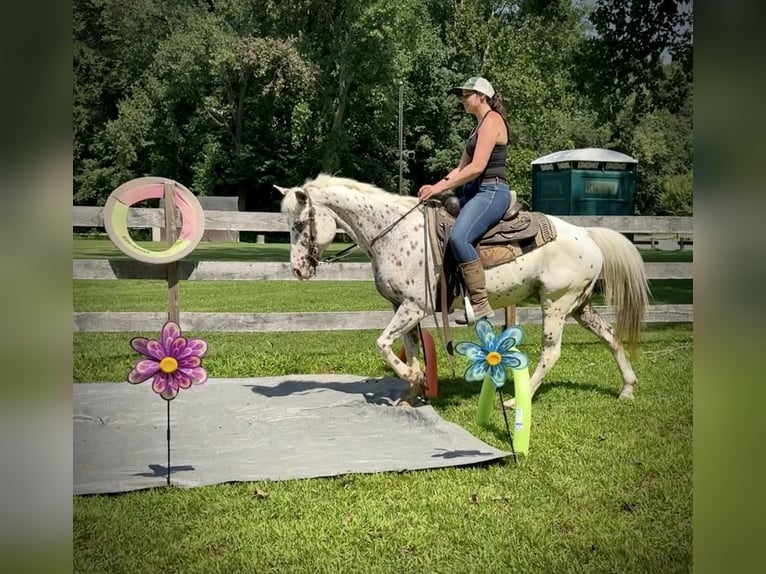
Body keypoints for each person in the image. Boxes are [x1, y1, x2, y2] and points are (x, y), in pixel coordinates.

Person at [418, 76, 511, 324]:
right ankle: (452, 296)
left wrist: (443, 188)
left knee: (459, 236)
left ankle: (480, 303)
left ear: (482, 96)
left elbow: (476, 168)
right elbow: (460, 168)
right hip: (476, 192)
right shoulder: (478, 127)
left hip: (491, 193)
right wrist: (435, 187)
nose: (463, 99)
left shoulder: (492, 121)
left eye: (467, 94)